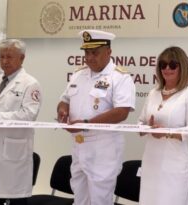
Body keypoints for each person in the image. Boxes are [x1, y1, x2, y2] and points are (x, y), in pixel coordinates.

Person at [57, 30, 135, 205]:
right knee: (79, 196)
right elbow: (64, 100)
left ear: (108, 52)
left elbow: (122, 111)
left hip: (103, 148)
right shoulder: (79, 74)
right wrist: (63, 111)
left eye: (95, 53)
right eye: (86, 53)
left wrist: (86, 123)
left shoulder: (120, 77)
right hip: (78, 144)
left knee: (100, 199)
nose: (90, 57)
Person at [138, 46, 188, 205]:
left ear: (182, 67)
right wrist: (146, 128)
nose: (167, 68)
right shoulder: (153, 93)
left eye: (173, 65)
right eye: (163, 65)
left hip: (174, 164)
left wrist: (166, 133)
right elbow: (140, 123)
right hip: (151, 160)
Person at [0, 39, 42, 205]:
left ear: (22, 58)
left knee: (14, 199)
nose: (4, 61)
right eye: (2, 57)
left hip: (14, 155)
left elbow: (28, 115)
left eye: (9, 57)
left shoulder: (31, 84)